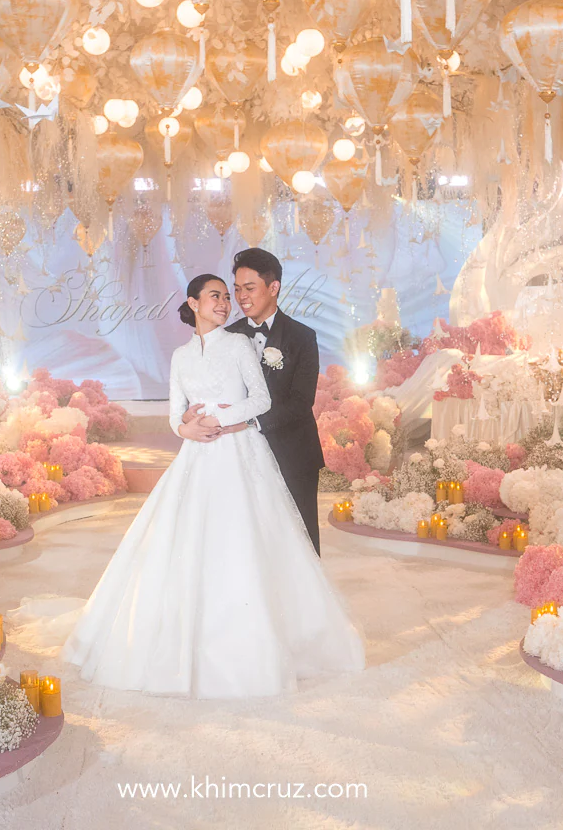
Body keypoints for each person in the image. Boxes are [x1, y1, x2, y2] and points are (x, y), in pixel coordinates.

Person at [59, 273, 364, 698]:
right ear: (194, 303)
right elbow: (173, 415)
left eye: (228, 296)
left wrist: (216, 420)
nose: (225, 303)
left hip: (239, 450)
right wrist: (188, 430)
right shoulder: (180, 356)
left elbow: (261, 400)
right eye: (216, 296)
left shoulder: (238, 345)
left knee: (245, 542)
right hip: (198, 454)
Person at [210, 247, 325, 555]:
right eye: (236, 290)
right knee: (247, 541)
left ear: (273, 288)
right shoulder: (226, 337)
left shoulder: (302, 337)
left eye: (249, 288)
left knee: (300, 540)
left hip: (293, 452)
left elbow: (302, 401)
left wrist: (252, 421)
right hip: (242, 454)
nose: (241, 297)